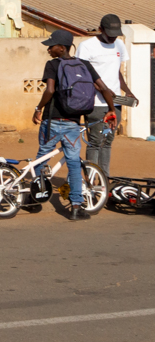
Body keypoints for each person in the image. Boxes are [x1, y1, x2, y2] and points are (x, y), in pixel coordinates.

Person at [31, 29, 118, 221]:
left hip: (52, 121)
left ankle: (34, 199)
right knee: (73, 164)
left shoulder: (53, 64)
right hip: (72, 123)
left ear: (61, 48)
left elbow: (50, 90)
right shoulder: (85, 65)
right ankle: (76, 206)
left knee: (42, 158)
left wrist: (38, 108)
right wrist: (111, 109)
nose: (48, 49)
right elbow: (104, 89)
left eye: (51, 46)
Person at [74, 14, 135, 176]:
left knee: (107, 142)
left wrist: (127, 91)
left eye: (116, 34)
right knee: (95, 142)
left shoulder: (119, 45)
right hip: (95, 104)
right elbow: (83, 76)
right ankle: (92, 180)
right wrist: (104, 92)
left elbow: (117, 72)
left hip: (115, 104)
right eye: (110, 34)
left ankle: (104, 180)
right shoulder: (87, 46)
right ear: (100, 30)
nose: (113, 38)